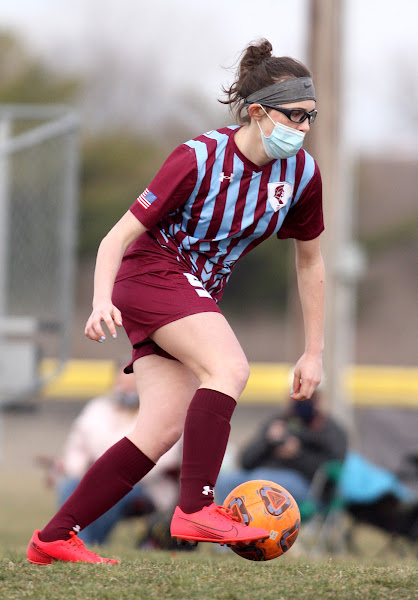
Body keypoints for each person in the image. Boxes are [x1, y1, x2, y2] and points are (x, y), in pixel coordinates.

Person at [27, 38, 325, 565]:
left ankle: (56, 535)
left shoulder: (301, 176)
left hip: (193, 290)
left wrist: (314, 350)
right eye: (294, 116)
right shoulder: (199, 157)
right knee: (229, 367)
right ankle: (196, 507)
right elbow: (114, 239)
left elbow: (310, 262)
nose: (302, 129)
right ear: (257, 113)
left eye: (311, 118)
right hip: (150, 274)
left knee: (161, 425)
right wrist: (99, 301)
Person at [36, 366, 183, 545]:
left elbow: (166, 459)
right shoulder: (96, 410)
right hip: (92, 475)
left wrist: (109, 474)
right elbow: (76, 448)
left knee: (110, 490)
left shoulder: (163, 412)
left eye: (133, 386)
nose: (126, 391)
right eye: (123, 385)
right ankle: (71, 542)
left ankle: (87, 544)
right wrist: (80, 470)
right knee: (70, 486)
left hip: (142, 486)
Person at [215, 390, 348, 506]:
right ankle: (232, 527)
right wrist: (267, 441)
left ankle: (257, 527)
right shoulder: (278, 422)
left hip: (303, 484)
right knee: (226, 481)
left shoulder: (329, 429)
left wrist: (297, 454)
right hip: (259, 475)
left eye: (309, 395)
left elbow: (330, 470)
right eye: (297, 394)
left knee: (262, 483)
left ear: (319, 398)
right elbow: (245, 461)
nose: (303, 400)